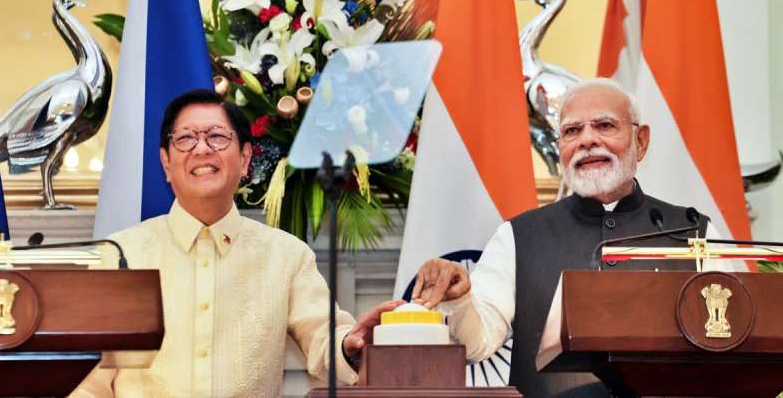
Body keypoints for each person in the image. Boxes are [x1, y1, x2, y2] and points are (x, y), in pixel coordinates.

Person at [411, 78, 734, 397]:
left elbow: (736, 339)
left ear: (641, 141)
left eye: (605, 126)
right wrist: (460, 299)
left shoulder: (695, 230)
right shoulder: (518, 236)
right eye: (572, 131)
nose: (587, 140)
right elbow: (477, 342)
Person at [73, 89, 401, 397]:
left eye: (217, 137)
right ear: (166, 163)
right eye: (185, 139)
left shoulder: (286, 256)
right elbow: (88, 382)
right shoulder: (119, 255)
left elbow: (323, 334)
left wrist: (351, 345)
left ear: (245, 159)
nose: (202, 149)